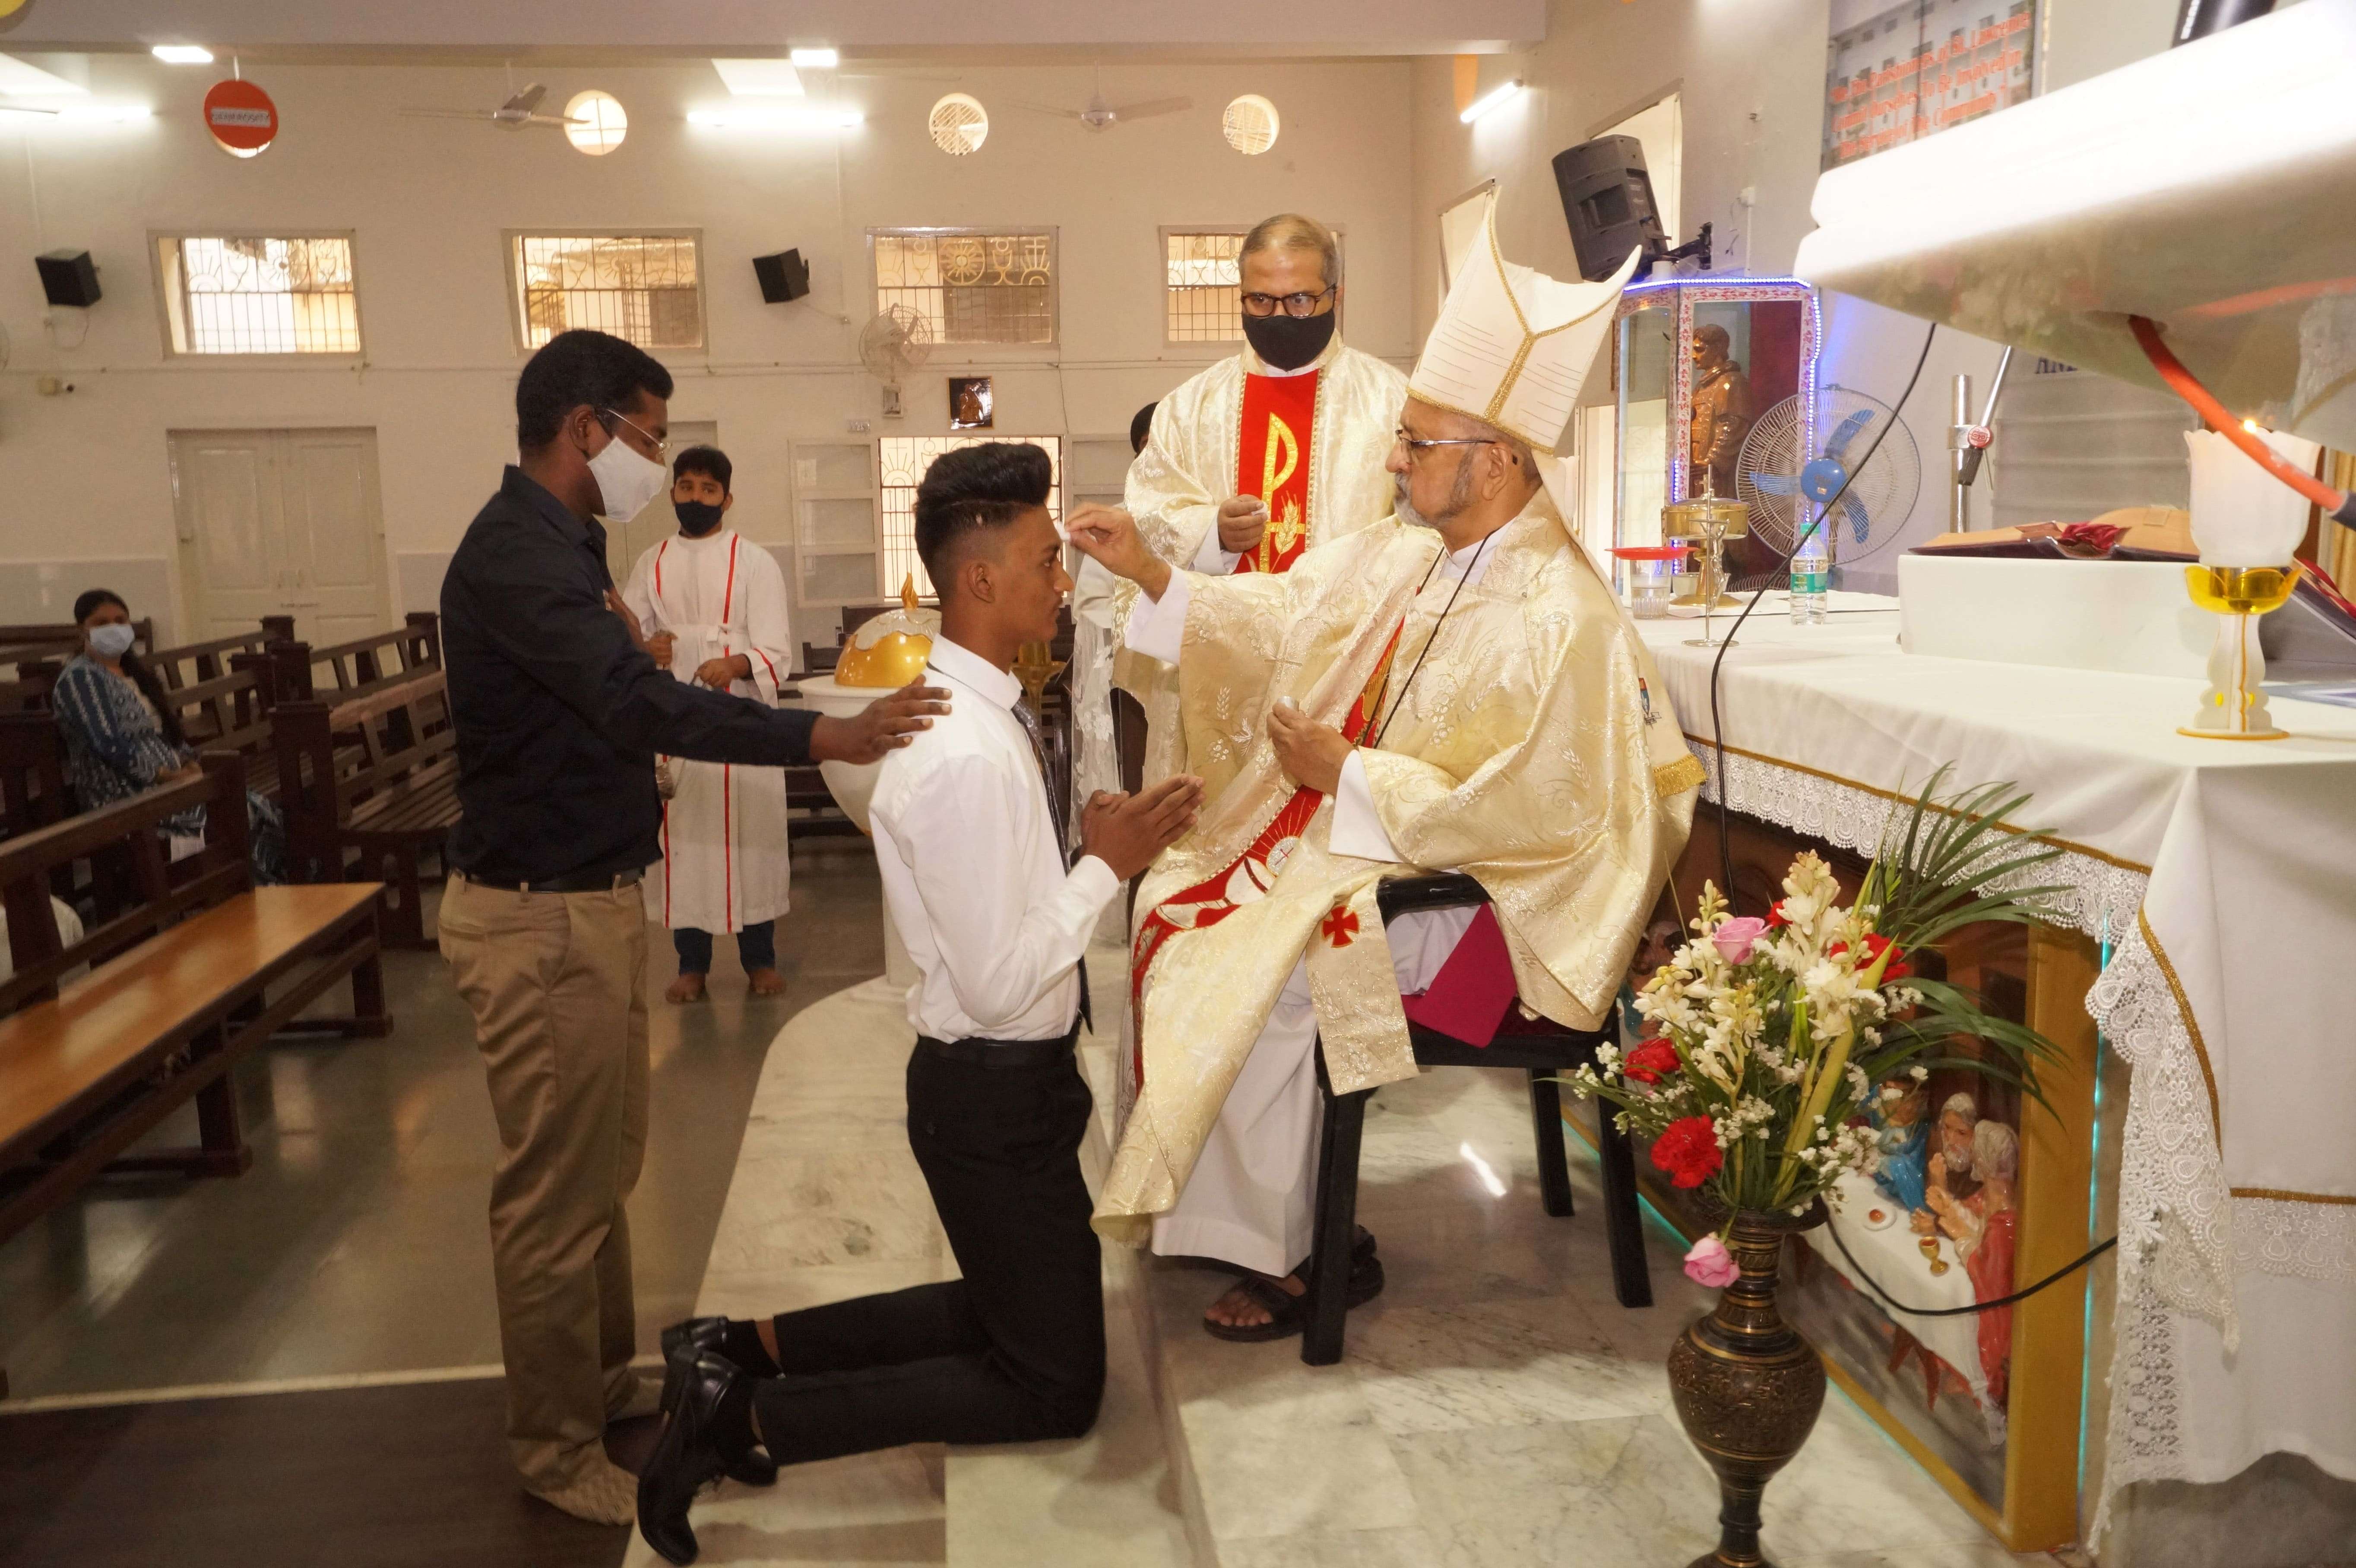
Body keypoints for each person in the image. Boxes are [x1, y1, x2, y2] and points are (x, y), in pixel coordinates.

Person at [1067, 204, 1693, 1338]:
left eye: (1416, 445)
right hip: (1393, 847)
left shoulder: (1561, 615)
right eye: (1400, 439)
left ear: (1495, 460)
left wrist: (1349, 769)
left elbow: (1537, 817)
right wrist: (1158, 577)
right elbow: (1288, 609)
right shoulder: (1422, 549)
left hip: (1494, 907)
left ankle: (1302, 1252)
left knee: (1260, 966)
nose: (1393, 461)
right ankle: (1246, 1219)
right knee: (1179, 904)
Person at [634, 442, 1203, 1567]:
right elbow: (996, 980)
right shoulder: (962, 754)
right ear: (980, 578)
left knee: (1003, 1309)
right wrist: (1105, 866)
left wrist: (1085, 862)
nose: (1062, 582)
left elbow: (1001, 921)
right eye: (1045, 561)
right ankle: (740, 1418)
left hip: (1005, 1090)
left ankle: (736, 1346)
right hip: (990, 1097)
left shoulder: (975, 708)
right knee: (1049, 1384)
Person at [437, 328, 945, 1527]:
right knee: (553, 1194)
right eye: (651, 437)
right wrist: (818, 734)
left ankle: (601, 1379)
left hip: (591, 895)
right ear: (588, 430)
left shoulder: (567, 544)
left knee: (603, 1169)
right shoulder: (516, 555)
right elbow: (635, 698)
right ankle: (555, 1444)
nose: (662, 465)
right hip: (537, 914)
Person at [1116, 214, 1407, 786]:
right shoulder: (1190, 409)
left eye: (1299, 300)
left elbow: (1426, 537)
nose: (1279, 316)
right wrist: (1211, 534)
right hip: (1220, 687)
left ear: (1336, 295)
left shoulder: (1392, 404)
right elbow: (1147, 520)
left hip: (1347, 682)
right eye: (1260, 301)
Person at [619, 444, 796, 1002]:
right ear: (673, 492)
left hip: (741, 712)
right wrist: (648, 648)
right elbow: (627, 636)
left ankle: (759, 960)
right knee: (684, 841)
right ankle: (691, 964)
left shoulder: (755, 562)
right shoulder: (650, 562)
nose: (697, 497)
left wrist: (737, 663)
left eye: (709, 489)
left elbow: (777, 648)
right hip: (677, 715)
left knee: (751, 839)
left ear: (727, 498)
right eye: (687, 487)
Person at [49, 588, 286, 885]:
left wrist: (192, 762)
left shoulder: (134, 672)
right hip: (125, 795)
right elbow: (109, 746)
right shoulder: (80, 678)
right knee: (238, 816)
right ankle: (246, 893)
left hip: (171, 784)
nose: (113, 628)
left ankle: (274, 892)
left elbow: (167, 733)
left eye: (120, 621)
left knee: (259, 807)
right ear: (81, 630)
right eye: (101, 623)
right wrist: (166, 777)